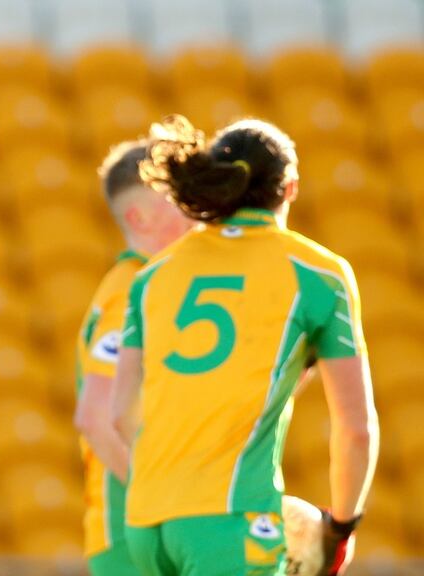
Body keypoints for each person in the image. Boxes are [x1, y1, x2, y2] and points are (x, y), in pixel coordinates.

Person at [112, 115, 379, 576]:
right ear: (290, 188)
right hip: (231, 523)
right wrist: (341, 527)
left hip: (145, 522)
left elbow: (121, 414)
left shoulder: (154, 274)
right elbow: (355, 428)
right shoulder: (317, 272)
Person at [74, 139, 192, 575]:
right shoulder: (130, 292)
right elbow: (95, 417)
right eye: (181, 202)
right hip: (134, 534)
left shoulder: (155, 286)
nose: (198, 213)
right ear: (138, 217)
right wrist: (163, 503)